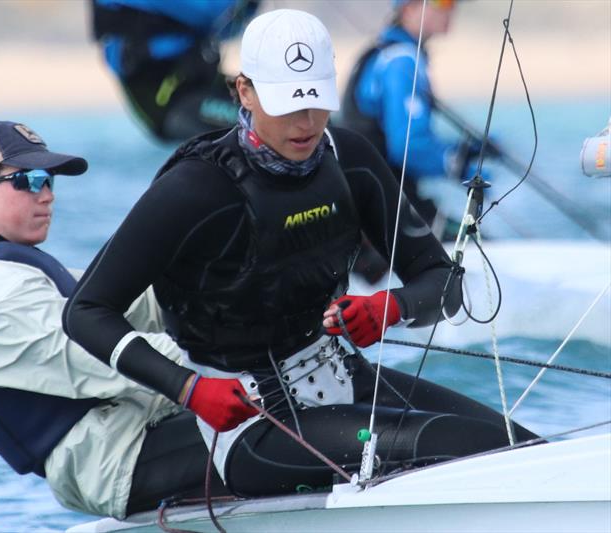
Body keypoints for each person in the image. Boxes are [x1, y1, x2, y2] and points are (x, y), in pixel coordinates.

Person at [63, 9, 536, 498]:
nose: (306, 123)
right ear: (245, 91)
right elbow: (85, 312)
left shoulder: (350, 161)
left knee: (523, 449)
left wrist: (390, 307)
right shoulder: (193, 189)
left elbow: (444, 283)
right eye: (288, 104)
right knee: (464, 445)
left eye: (316, 102)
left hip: (345, 382)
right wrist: (188, 388)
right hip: (253, 427)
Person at [0, 121, 226, 519]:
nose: (46, 195)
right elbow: (100, 353)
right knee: (297, 428)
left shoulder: (18, 272)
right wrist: (236, 362)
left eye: (49, 181)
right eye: (27, 181)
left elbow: (136, 304)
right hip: (116, 461)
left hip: (140, 428)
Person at [342, 0, 480, 247]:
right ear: (408, 8)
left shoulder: (388, 52)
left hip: (378, 199)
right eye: (442, 2)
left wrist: (467, 149)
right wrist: (463, 166)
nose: (450, 9)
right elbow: (408, 148)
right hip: (383, 209)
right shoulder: (401, 61)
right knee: (480, 245)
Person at [91, 0, 259, 141]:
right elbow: (206, 11)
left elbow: (227, 27)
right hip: (171, 102)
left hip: (198, 87)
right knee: (262, 122)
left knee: (271, 110)